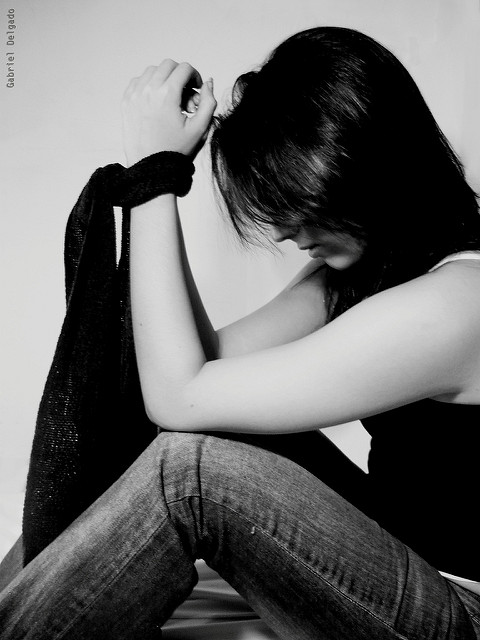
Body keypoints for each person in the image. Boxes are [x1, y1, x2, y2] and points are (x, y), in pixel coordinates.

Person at [1, 25, 480, 639]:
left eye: (300, 202)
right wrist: (165, 174)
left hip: (461, 613)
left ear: (367, 167)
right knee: (186, 427)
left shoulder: (458, 303)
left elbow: (181, 393)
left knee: (192, 475)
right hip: (405, 549)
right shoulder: (363, 271)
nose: (282, 231)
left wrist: (153, 177)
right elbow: (196, 369)